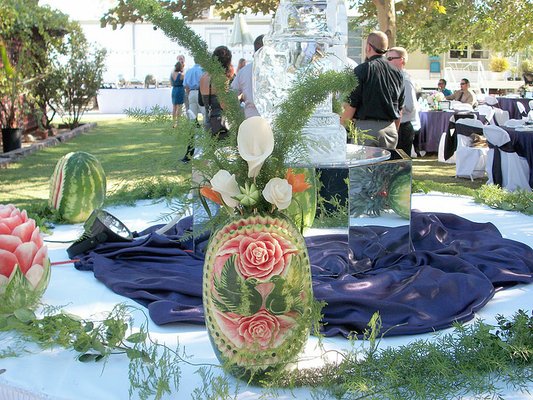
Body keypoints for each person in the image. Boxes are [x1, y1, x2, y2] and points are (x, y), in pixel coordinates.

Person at [340, 31, 404, 149]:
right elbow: (400, 108)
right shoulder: (398, 72)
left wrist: (341, 126)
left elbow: (352, 104)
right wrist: (395, 129)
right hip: (390, 129)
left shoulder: (362, 70)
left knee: (364, 167)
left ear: (368, 47)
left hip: (366, 129)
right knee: (386, 167)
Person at [387, 47, 420, 156]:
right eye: (387, 58)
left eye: (391, 58)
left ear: (401, 60)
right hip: (395, 125)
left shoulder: (404, 79)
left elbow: (410, 106)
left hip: (402, 126)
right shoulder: (393, 77)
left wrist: (389, 106)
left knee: (400, 166)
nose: (387, 61)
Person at [200, 45, 233, 138]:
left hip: (208, 121)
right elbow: (224, 104)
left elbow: (202, 101)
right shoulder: (222, 79)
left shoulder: (203, 76)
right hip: (220, 124)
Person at [230, 34, 264, 119]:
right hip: (272, 119)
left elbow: (231, 95)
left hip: (250, 116)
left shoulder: (244, 71)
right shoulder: (277, 71)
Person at [170, 61, 185, 128]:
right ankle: (178, 123)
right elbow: (184, 83)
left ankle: (173, 123)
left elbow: (171, 83)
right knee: (179, 107)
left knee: (174, 107)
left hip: (174, 90)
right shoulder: (181, 75)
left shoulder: (172, 74)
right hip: (180, 90)